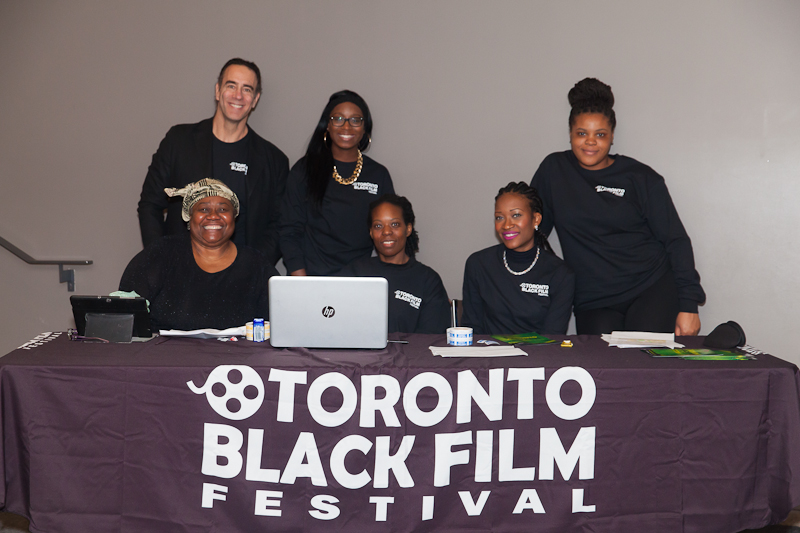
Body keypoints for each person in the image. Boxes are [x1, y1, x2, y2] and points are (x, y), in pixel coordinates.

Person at [531, 77, 706, 336]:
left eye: (600, 134)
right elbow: (533, 232)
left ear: (612, 136)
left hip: (651, 287)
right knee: (601, 362)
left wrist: (689, 304)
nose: (590, 142)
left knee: (643, 361)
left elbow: (676, 240)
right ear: (570, 134)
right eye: (582, 133)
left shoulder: (641, 178)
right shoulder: (554, 171)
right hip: (593, 298)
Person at [138, 58, 289, 265]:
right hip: (180, 271)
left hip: (242, 277)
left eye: (247, 89)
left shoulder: (274, 161)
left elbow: (279, 225)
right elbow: (150, 205)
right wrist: (161, 260)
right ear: (218, 91)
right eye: (231, 86)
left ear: (255, 99)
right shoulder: (178, 141)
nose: (238, 95)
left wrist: (252, 268)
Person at [121, 179, 278, 331]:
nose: (213, 215)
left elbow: (280, 321)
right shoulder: (161, 254)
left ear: (234, 217)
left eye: (223, 209)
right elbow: (124, 317)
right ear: (189, 216)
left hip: (238, 350)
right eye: (203, 209)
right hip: (165, 349)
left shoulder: (257, 265)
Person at [280, 90, 394, 276]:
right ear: (327, 125)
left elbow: (388, 233)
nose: (347, 126)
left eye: (355, 120)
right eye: (338, 119)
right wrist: (302, 283)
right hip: (311, 279)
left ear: (365, 128)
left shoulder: (378, 175)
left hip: (360, 280)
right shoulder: (304, 170)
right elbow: (289, 231)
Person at [461, 182, 575, 335]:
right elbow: (472, 328)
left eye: (516, 215)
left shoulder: (560, 274)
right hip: (488, 349)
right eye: (499, 217)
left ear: (536, 219)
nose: (507, 225)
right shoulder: (478, 264)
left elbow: (552, 335)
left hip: (540, 350)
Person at [337, 194, 450, 334]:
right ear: (371, 232)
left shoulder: (428, 281)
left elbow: (432, 338)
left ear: (408, 229)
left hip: (413, 350)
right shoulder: (353, 273)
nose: (386, 231)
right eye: (378, 226)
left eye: (395, 224)